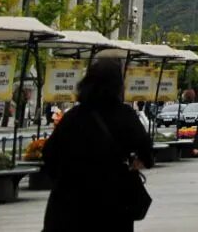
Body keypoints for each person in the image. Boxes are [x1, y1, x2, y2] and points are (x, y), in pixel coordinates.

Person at [43, 59, 154, 232]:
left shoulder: (72, 118)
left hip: (69, 208)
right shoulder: (125, 116)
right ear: (118, 86)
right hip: (112, 207)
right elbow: (147, 153)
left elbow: (49, 156)